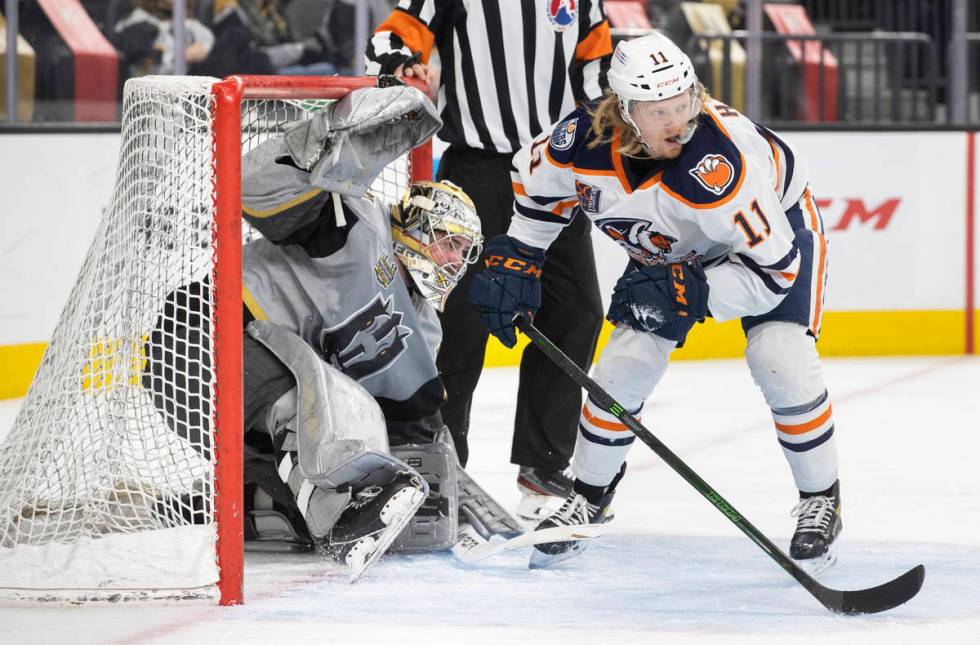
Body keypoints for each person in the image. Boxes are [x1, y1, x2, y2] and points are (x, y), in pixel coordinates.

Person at [467, 31, 842, 572]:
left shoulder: (720, 167)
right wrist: (521, 256)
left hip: (770, 242)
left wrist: (700, 294)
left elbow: (776, 273)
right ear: (622, 108)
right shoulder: (579, 142)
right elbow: (536, 190)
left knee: (780, 357)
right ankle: (588, 499)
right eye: (657, 108)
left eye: (684, 102)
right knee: (622, 368)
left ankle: (820, 500)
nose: (677, 120)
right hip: (672, 254)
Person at [144, 83, 518, 580]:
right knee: (307, 429)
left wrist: (445, 483)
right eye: (448, 242)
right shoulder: (358, 226)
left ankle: (231, 500)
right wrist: (319, 147)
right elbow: (254, 190)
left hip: (267, 375)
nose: (454, 260)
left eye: (463, 251)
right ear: (419, 229)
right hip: (201, 333)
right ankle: (326, 505)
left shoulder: (424, 329)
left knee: (313, 461)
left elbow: (414, 419)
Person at [365, 0, 614, 522]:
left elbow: (598, 71)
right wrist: (402, 66)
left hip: (555, 173)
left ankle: (543, 465)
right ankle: (442, 459)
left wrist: (606, 134)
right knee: (459, 321)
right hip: (476, 171)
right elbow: (392, 39)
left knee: (578, 311)